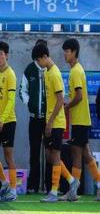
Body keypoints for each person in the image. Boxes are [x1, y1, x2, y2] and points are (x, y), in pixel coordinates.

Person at [32, 42, 77, 203]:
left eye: (39, 61)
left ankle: (54, 191)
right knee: (50, 156)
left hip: (56, 122)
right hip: (50, 121)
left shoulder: (55, 74)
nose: (38, 64)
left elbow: (60, 101)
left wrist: (50, 122)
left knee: (55, 156)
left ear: (45, 57)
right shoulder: (46, 72)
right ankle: (72, 181)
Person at [61, 38, 100, 201]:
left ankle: (73, 191)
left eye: (67, 51)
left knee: (78, 154)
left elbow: (79, 96)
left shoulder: (76, 71)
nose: (65, 54)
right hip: (80, 120)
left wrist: (66, 107)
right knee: (84, 154)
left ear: (74, 52)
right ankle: (88, 187)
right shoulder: (76, 70)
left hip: (80, 120)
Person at [0, 41, 18, 202]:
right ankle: (4, 182)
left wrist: (2, 120)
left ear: (7, 56)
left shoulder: (10, 74)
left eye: (1, 54)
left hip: (9, 122)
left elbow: (11, 101)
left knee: (8, 156)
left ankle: (13, 189)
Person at [19, 39, 48, 194]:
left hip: (48, 119)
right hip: (34, 118)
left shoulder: (50, 69)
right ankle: (33, 185)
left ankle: (49, 185)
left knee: (50, 153)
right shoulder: (29, 69)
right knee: (34, 153)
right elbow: (22, 90)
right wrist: (29, 103)